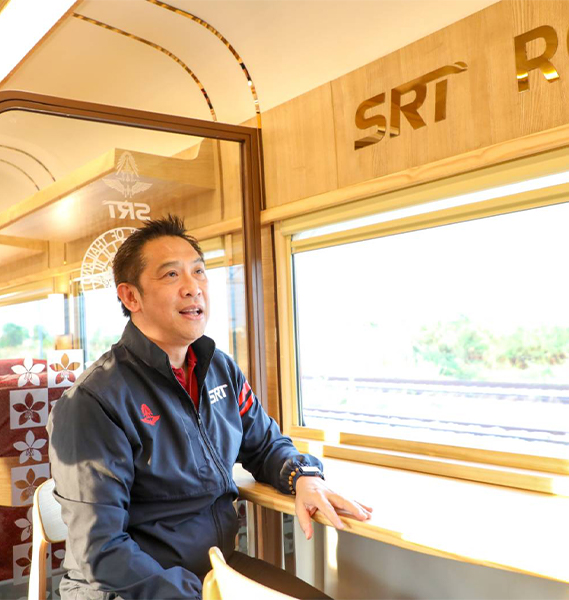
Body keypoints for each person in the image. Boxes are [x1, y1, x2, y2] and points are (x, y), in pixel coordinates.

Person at [48, 216, 371, 599]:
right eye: (171, 275)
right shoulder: (93, 401)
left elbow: (265, 445)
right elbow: (101, 552)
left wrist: (303, 477)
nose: (193, 287)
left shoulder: (219, 369)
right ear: (131, 297)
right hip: (129, 587)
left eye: (199, 272)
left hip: (216, 567)